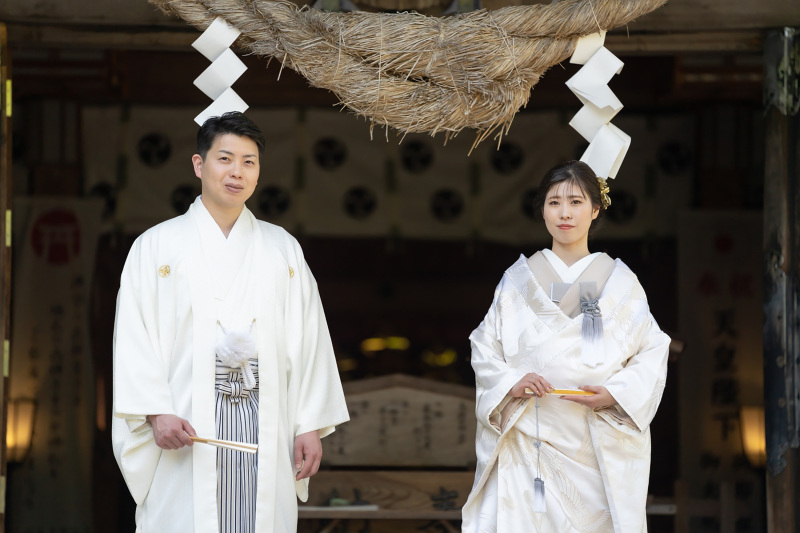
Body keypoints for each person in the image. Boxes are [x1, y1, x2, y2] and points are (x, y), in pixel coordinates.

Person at [112, 111, 349, 533]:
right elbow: (134, 336)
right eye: (225, 159)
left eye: (249, 161)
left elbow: (308, 339)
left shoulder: (282, 249)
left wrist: (309, 423)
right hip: (184, 420)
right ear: (199, 165)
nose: (236, 172)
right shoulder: (156, 246)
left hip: (267, 420)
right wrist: (154, 412)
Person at [461, 160, 670, 533]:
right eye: (554, 202)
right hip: (528, 433)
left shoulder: (621, 282)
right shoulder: (517, 279)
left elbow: (653, 349)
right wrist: (510, 380)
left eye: (575, 202)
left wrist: (615, 393)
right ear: (541, 209)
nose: (564, 213)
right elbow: (484, 344)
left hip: (594, 437)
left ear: (595, 209)